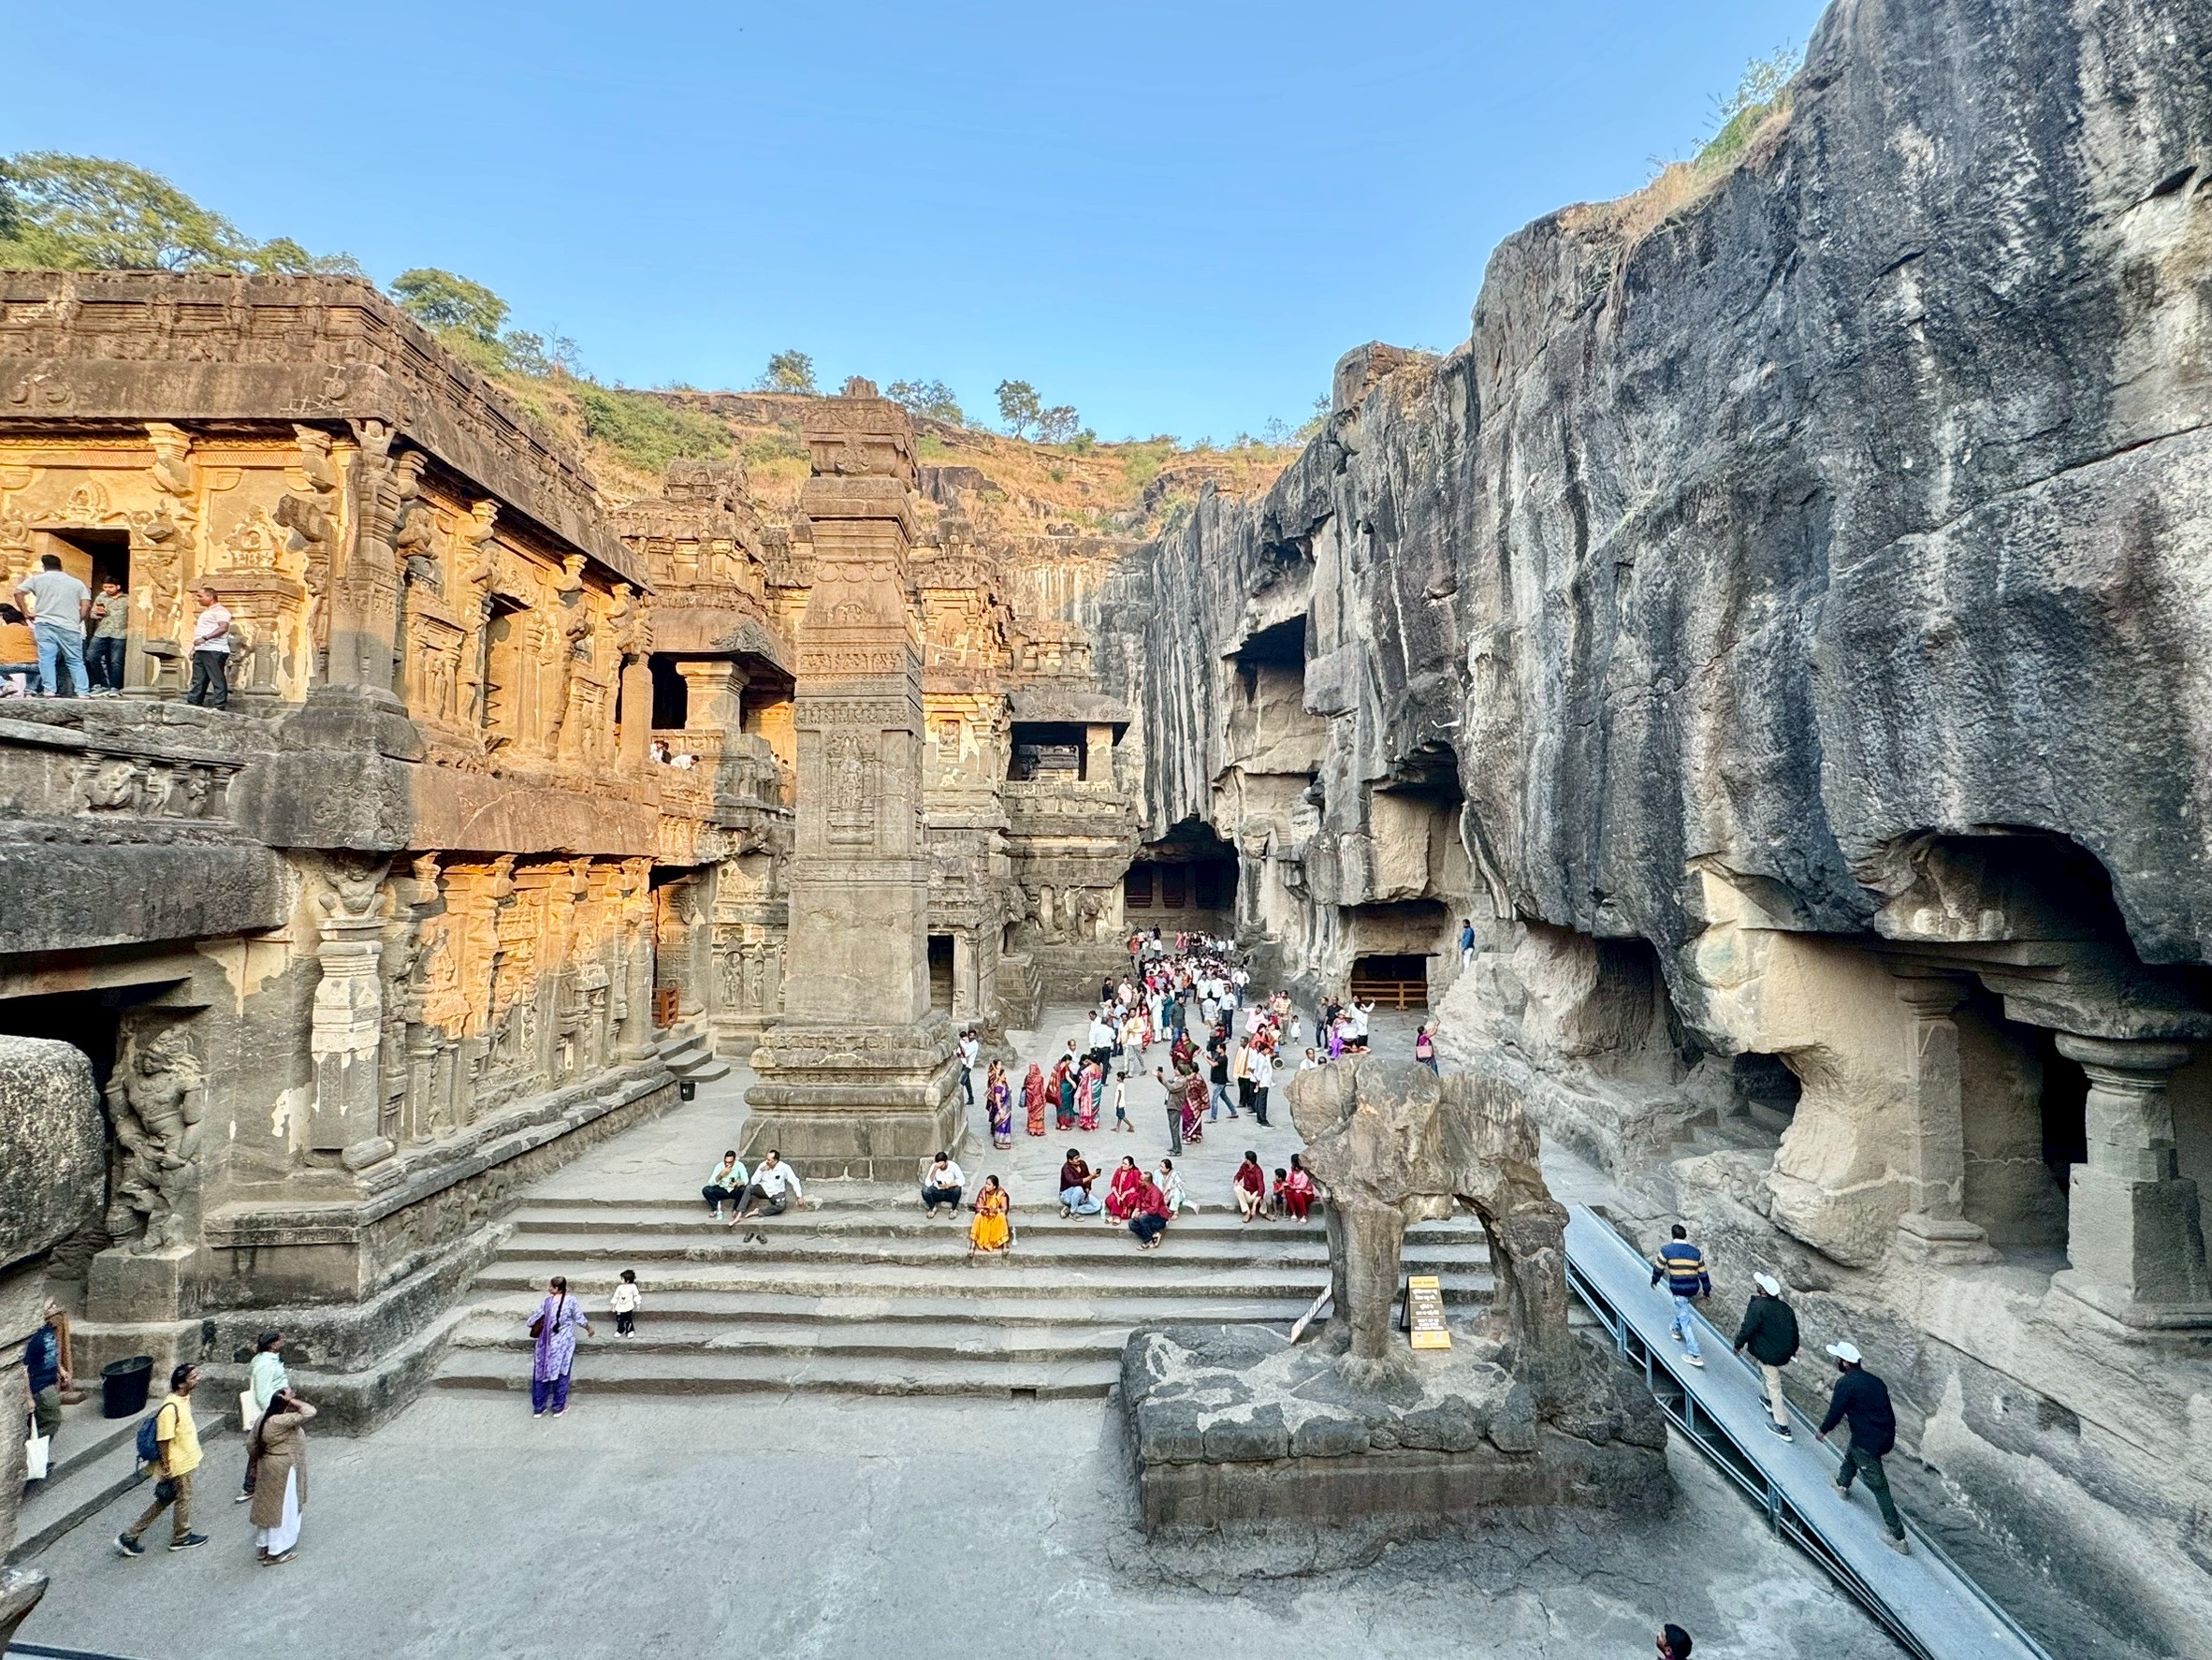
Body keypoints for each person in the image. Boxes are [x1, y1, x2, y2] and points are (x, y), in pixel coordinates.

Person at [1820, 1341, 1910, 1553]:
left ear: (1845, 1363)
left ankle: (1899, 1537)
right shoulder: (1875, 1382)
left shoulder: (1846, 1383)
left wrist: (1823, 1430)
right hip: (1883, 1436)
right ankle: (1842, 1484)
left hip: (1868, 1441)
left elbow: (1836, 1411)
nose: (1837, 1362)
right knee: (1855, 1449)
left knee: (1879, 1486)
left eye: (1839, 1359)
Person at [115, 1363, 208, 1555]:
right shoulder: (170, 1408)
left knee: (166, 1499)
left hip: (184, 1460)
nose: (197, 1379)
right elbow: (163, 1441)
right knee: (183, 1499)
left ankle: (129, 1537)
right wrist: (166, 1467)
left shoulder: (183, 1399)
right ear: (181, 1384)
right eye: (193, 1377)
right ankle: (181, 1537)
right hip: (178, 1464)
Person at [248, 1387, 315, 1565]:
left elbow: (251, 1444)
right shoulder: (281, 1420)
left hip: (267, 1466)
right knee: (284, 1509)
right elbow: (310, 1411)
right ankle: (276, 1551)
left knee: (268, 1507)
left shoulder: (263, 1418)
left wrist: (256, 1462)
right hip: (284, 1469)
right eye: (291, 1395)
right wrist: (291, 1401)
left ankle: (264, 1545)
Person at [1733, 1271, 1800, 1439]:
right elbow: (1794, 1334)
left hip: (1769, 1354)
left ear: (1763, 1290)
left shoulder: (1758, 1306)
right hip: (1780, 1352)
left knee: (1774, 1385)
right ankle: (1768, 1400)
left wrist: (1738, 1344)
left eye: (1759, 1285)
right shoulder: (1786, 1308)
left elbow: (1747, 1328)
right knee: (1764, 1371)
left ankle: (1783, 1427)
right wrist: (1791, 1352)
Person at [14, 553, 90, 697]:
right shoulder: (77, 583)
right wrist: (77, 619)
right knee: (75, 660)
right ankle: (82, 691)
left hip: (45, 623)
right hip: (69, 625)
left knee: (47, 658)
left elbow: (18, 592)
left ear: (44, 566)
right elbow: (86, 605)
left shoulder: (37, 579)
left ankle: (49, 689)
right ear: (61, 566)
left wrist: (26, 612)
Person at [1649, 1222, 1710, 1368]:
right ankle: (1675, 1329)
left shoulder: (1667, 1250)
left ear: (1672, 1235)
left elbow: (1658, 1268)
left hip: (1678, 1288)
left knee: (1685, 1319)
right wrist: (1707, 1290)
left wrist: (1654, 1281)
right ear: (1685, 1235)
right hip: (1692, 1288)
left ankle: (1695, 1354)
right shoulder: (1696, 1253)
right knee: (1682, 1307)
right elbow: (1703, 1274)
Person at [528, 1275, 591, 1417]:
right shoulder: (571, 1301)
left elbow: (530, 1322)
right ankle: (558, 1407)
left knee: (540, 1374)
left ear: (556, 1289)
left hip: (545, 1347)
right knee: (563, 1373)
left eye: (550, 1286)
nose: (548, 1288)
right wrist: (589, 1329)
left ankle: (539, 1408)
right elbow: (580, 1318)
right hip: (564, 1345)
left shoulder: (546, 1303)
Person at [237, 1329, 288, 1503]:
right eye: (279, 1339)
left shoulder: (267, 1359)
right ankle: (250, 1486)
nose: (283, 1340)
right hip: (270, 1412)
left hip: (276, 1408)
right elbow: (263, 1395)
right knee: (261, 1448)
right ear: (272, 1345)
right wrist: (273, 1415)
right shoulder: (265, 1364)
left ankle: (257, 1484)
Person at [22, 1298, 66, 1470]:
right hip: (39, 1385)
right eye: (51, 1307)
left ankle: (39, 1457)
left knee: (46, 1419)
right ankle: (33, 1458)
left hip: (49, 1379)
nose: (55, 1309)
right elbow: (24, 1368)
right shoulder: (34, 1338)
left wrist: (60, 1369)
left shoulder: (48, 1329)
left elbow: (51, 1353)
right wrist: (28, 1397)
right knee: (51, 1419)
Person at [183, 586, 232, 709]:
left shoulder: (221, 611)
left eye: (200, 596)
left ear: (210, 597)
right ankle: (194, 702)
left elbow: (223, 628)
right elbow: (202, 632)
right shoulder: (207, 612)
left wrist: (205, 638)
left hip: (215, 649)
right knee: (198, 679)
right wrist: (194, 649)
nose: (197, 598)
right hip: (202, 649)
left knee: (216, 678)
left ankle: (219, 705)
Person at [85, 577, 129, 693]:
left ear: (118, 587)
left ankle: (115, 687)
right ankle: (102, 683)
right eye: (105, 587)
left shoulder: (127, 599)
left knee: (116, 661)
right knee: (91, 656)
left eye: (110, 587)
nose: (108, 589)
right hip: (102, 632)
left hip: (120, 633)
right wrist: (97, 614)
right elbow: (92, 615)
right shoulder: (101, 598)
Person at [733, 1150, 804, 1221]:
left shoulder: (784, 1167)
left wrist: (799, 1196)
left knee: (781, 1205)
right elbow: (753, 1182)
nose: (767, 1161)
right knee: (749, 1188)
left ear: (775, 1161)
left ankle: (759, 1212)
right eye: (766, 1159)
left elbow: (794, 1180)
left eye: (769, 1160)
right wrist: (761, 1171)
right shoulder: (762, 1165)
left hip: (777, 1191)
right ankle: (739, 1212)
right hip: (763, 1189)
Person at [968, 1174, 1011, 1257]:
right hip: (985, 1217)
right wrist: (983, 1211)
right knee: (978, 1217)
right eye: (986, 1183)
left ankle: (1005, 1245)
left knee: (1002, 1216)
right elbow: (978, 1207)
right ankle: (972, 1246)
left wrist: (996, 1210)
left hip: (995, 1218)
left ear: (994, 1186)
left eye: (989, 1184)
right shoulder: (983, 1192)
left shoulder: (1001, 1193)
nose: (986, 1186)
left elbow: (1004, 1209)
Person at [0, 604, 40, 696]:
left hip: (7, 664)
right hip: (33, 665)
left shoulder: (1, 631)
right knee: (39, 666)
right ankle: (30, 690)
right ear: (22, 620)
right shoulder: (31, 631)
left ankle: (4, 684)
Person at [1130, 1170, 1171, 1249]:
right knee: (1132, 1224)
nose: (1139, 1181)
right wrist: (1136, 1209)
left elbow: (1154, 1208)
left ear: (1147, 1181)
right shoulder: (1142, 1188)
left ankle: (1148, 1241)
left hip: (1159, 1217)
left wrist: (1141, 1213)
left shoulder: (1155, 1192)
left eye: (1141, 1180)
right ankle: (1153, 1235)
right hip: (1148, 1215)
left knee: (1142, 1218)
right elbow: (1139, 1199)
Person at [702, 1150, 747, 1221]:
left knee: (744, 1189)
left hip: (734, 1189)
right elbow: (711, 1183)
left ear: (734, 1160)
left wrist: (738, 1183)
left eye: (730, 1162)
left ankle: (736, 1209)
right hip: (722, 1189)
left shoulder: (739, 1165)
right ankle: (715, 1208)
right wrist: (721, 1175)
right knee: (706, 1190)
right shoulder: (719, 1166)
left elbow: (745, 1179)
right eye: (726, 1162)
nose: (727, 1164)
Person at [922, 1151, 966, 1218]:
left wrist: (948, 1185)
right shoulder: (935, 1167)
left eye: (942, 1165)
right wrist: (934, 1170)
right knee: (925, 1190)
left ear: (946, 1161)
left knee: (957, 1189)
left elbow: (962, 1180)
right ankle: (932, 1208)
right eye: (939, 1166)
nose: (941, 1167)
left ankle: (953, 1210)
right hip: (938, 1192)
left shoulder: (953, 1165)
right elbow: (928, 1183)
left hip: (949, 1192)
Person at [1059, 1150, 1101, 1217]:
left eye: (1079, 1157)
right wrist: (1091, 1177)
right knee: (1078, 1189)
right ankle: (1073, 1213)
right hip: (1066, 1195)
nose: (1079, 1159)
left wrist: (1087, 1189)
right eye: (1076, 1158)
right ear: (1070, 1160)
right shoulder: (1066, 1168)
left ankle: (1072, 1209)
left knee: (1097, 1206)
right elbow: (1073, 1182)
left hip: (1081, 1192)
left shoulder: (1082, 1164)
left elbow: (1087, 1177)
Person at [1104, 1156, 1144, 1224]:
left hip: (1129, 1194)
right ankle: (1116, 1215)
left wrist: (1125, 1193)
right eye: (1122, 1163)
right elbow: (1113, 1184)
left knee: (1133, 1198)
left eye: (1125, 1164)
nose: (1123, 1165)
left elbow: (1137, 1187)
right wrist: (1117, 1196)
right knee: (1110, 1199)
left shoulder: (1136, 1172)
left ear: (1131, 1166)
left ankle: (1117, 1216)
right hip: (1118, 1193)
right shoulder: (1118, 1170)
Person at [1233, 1151, 1267, 1223]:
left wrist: (1254, 1206)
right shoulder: (1244, 1166)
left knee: (1263, 1192)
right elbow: (1238, 1175)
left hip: (1255, 1194)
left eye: (1246, 1158)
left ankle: (1264, 1212)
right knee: (1237, 1189)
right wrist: (1236, 1180)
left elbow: (1261, 1188)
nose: (1244, 1159)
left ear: (1249, 1160)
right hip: (1247, 1192)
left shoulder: (1258, 1171)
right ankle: (1247, 1212)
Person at [985, 1061, 1013, 1147]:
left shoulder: (1003, 1083)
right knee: (999, 1122)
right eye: (999, 1064)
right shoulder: (997, 1083)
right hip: (1000, 1105)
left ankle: (1004, 1141)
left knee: (1005, 1124)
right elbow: (997, 1100)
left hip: (1005, 1107)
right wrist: (1001, 1110)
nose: (1005, 1077)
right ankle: (999, 1140)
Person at [1284, 1155, 1317, 1221]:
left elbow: (1302, 1186)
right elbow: (1288, 1180)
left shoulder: (1304, 1172)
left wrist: (1293, 1187)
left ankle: (1304, 1215)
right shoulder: (1292, 1171)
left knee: (1297, 1193)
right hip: (1294, 1191)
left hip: (1306, 1193)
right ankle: (1293, 1212)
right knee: (1288, 1192)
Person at [610, 1270, 641, 1337]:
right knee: (619, 1319)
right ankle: (620, 1329)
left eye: (622, 1279)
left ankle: (629, 1330)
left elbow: (636, 1295)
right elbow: (615, 1296)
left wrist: (638, 1303)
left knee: (628, 1319)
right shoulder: (619, 1287)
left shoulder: (633, 1287)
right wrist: (613, 1306)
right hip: (619, 1307)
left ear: (627, 1280)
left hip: (628, 1306)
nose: (621, 1280)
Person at [1023, 1062, 1048, 1137]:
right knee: (1039, 1114)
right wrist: (1044, 1099)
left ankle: (1032, 1130)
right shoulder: (1040, 1078)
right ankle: (1039, 1130)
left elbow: (1024, 1086)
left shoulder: (1028, 1077)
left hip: (1030, 1099)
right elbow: (1042, 1089)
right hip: (1038, 1099)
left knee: (1031, 1114)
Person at [957, 1029, 980, 1106]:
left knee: (960, 1082)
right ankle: (971, 1099)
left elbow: (965, 1054)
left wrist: (959, 1047)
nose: (972, 1037)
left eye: (973, 1035)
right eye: (970, 1035)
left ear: (975, 1036)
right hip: (964, 1064)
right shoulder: (969, 1043)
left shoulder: (974, 1045)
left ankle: (959, 1101)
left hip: (968, 1066)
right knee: (967, 1083)